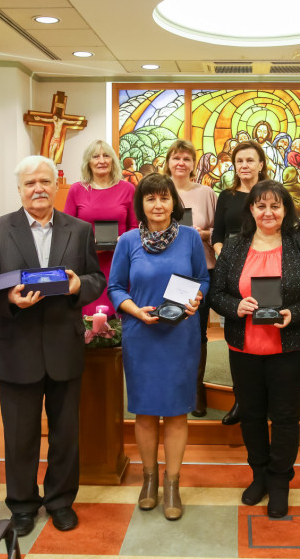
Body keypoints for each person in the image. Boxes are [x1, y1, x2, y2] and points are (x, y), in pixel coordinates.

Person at [0, 155, 106, 536]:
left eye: (45, 181)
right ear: (19, 190)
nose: (38, 189)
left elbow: (96, 278)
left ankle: (61, 501)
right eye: (30, 183)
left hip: (64, 347)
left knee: (66, 433)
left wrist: (79, 286)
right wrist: (9, 299)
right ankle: (22, 505)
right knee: (20, 436)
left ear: (55, 186)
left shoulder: (79, 230)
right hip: (18, 347)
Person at [209, 180, 300, 518]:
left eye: (275, 206)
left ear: (286, 209)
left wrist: (293, 313)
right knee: (252, 414)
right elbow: (217, 294)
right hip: (245, 347)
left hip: (290, 347)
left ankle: (279, 480)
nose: (268, 212)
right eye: (261, 206)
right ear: (251, 209)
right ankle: (258, 474)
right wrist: (235, 306)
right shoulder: (234, 246)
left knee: (285, 416)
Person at [108, 174, 209, 520]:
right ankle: (149, 479)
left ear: (173, 203)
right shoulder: (127, 241)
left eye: (164, 198)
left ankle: (172, 482)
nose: (158, 205)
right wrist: (134, 310)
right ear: (141, 204)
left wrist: (196, 299)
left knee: (177, 412)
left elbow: (202, 279)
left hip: (180, 334)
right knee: (146, 411)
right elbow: (115, 287)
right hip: (141, 333)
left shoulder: (190, 237)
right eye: (150, 198)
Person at [211, 140, 269, 425]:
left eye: (250, 160)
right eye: (239, 161)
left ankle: (266, 398)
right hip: (234, 272)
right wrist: (227, 258)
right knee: (236, 336)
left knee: (265, 329)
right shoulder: (227, 195)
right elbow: (217, 236)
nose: (244, 165)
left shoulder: (270, 194)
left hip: (266, 269)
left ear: (261, 164)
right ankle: (241, 400)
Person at [164, 140, 217, 417]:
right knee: (169, 324)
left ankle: (196, 390)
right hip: (168, 269)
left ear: (194, 164)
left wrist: (203, 234)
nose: (181, 163)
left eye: (186, 158)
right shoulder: (161, 191)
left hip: (199, 269)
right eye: (176, 158)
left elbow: (218, 230)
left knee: (197, 329)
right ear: (168, 162)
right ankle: (172, 386)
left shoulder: (206, 193)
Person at [63, 139, 138, 317]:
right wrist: (87, 243)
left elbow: (135, 226)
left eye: (106, 156)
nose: (101, 161)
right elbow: (67, 229)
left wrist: (124, 239)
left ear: (113, 160)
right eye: (95, 156)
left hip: (119, 262)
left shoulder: (128, 189)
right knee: (90, 319)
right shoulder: (76, 190)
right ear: (88, 162)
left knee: (118, 316)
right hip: (87, 265)